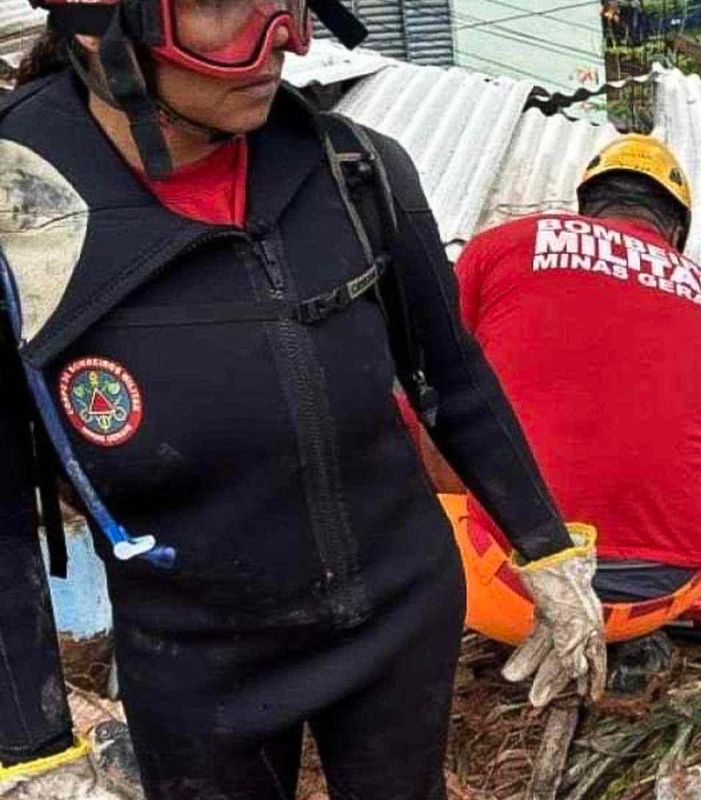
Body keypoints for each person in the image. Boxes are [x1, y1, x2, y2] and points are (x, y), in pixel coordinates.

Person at [0, 2, 603, 798]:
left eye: (284, 4)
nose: (277, 42)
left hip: (399, 619)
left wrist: (548, 548)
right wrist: (31, 744)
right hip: (195, 663)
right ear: (96, 24)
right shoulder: (19, 224)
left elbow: (452, 376)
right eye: (222, 5)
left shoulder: (354, 169)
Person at [427, 135, 701, 655]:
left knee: (415, 403)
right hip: (668, 591)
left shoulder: (504, 244)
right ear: (676, 231)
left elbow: (429, 382)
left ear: (586, 207)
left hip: (510, 594)